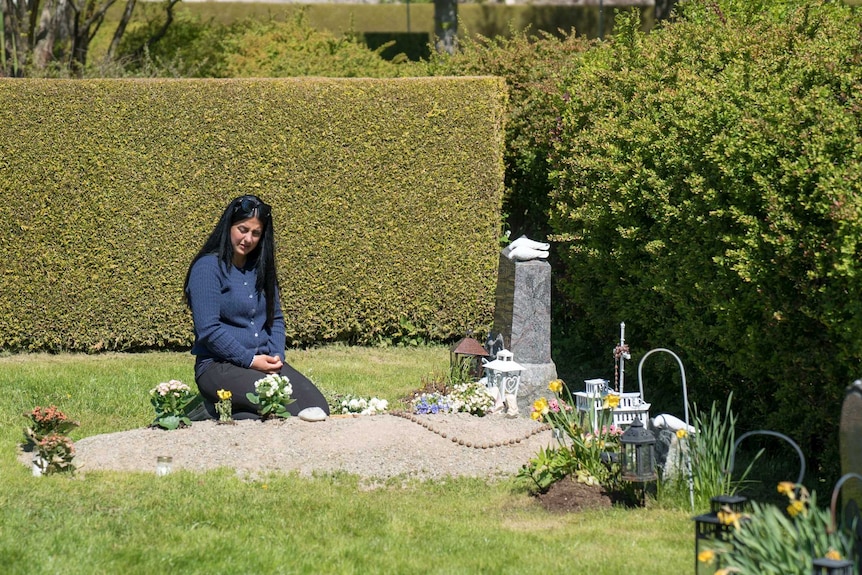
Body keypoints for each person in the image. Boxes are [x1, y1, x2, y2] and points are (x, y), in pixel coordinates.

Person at [183, 194, 329, 421]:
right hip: (219, 367)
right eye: (242, 229)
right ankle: (214, 408)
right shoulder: (208, 268)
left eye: (256, 233)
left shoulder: (260, 269)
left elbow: (276, 319)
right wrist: (251, 360)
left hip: (262, 364)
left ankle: (228, 411)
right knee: (287, 411)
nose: (248, 238)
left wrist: (276, 356)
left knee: (317, 408)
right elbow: (208, 330)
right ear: (228, 227)